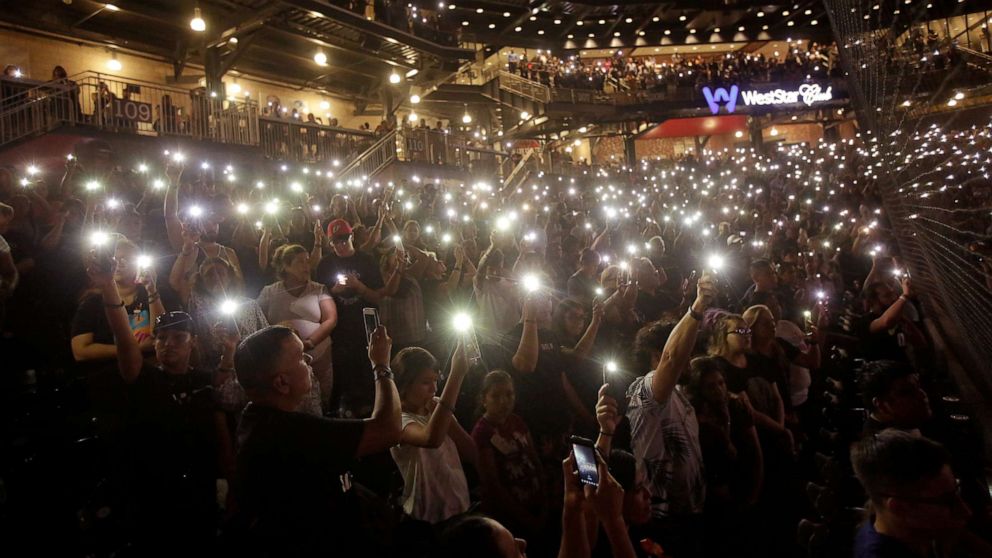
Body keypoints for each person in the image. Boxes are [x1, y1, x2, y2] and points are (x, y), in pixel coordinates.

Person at [86, 252, 231, 556]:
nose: (168, 345)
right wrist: (109, 286)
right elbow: (124, 338)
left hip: (199, 487)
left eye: (178, 338)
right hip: (154, 490)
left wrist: (229, 479)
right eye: (161, 338)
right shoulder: (146, 379)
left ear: (193, 342)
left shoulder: (201, 380)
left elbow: (220, 430)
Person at [233, 324, 401, 557]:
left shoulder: (259, 419)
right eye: (300, 357)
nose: (309, 359)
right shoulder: (285, 433)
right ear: (281, 383)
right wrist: (381, 365)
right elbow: (388, 429)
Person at [624, 273, 715, 558]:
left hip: (689, 515)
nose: (689, 357)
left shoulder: (679, 397)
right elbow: (672, 358)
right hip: (660, 519)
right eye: (685, 349)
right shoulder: (645, 391)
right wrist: (698, 306)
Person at [852, 430, 992, 558]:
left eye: (957, 490)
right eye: (946, 501)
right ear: (899, 508)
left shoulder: (917, 529)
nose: (965, 511)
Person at [390, 340, 475, 523]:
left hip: (460, 505)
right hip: (427, 518)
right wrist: (457, 374)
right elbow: (431, 438)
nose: (434, 389)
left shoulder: (438, 410)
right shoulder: (398, 420)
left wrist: (448, 418)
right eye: (426, 382)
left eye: (436, 381)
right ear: (404, 385)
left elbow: (471, 451)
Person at [315, 218, 385, 417]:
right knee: (343, 371)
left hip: (365, 326)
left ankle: (371, 409)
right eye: (336, 241)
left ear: (351, 236)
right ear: (330, 242)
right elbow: (318, 300)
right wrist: (334, 291)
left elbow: (378, 296)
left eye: (344, 239)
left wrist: (359, 287)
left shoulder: (367, 261)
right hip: (339, 329)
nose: (341, 245)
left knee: (367, 370)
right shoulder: (325, 264)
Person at [256, 244, 337, 412]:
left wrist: (310, 342)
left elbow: (330, 319)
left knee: (322, 404)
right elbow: (259, 321)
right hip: (285, 365)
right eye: (300, 262)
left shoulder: (318, 289)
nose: (307, 266)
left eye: (308, 261)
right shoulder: (269, 292)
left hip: (319, 359)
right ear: (285, 266)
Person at [471, 370, 546, 536]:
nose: (504, 401)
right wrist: (524, 517)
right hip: (508, 516)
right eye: (496, 396)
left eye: (509, 394)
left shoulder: (516, 421)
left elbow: (534, 458)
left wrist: (545, 497)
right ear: (484, 399)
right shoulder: (482, 433)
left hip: (534, 502)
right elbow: (492, 484)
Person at [860, 360, 932, 436]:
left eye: (919, 386)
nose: (922, 395)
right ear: (882, 405)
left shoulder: (908, 425)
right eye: (907, 392)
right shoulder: (884, 445)